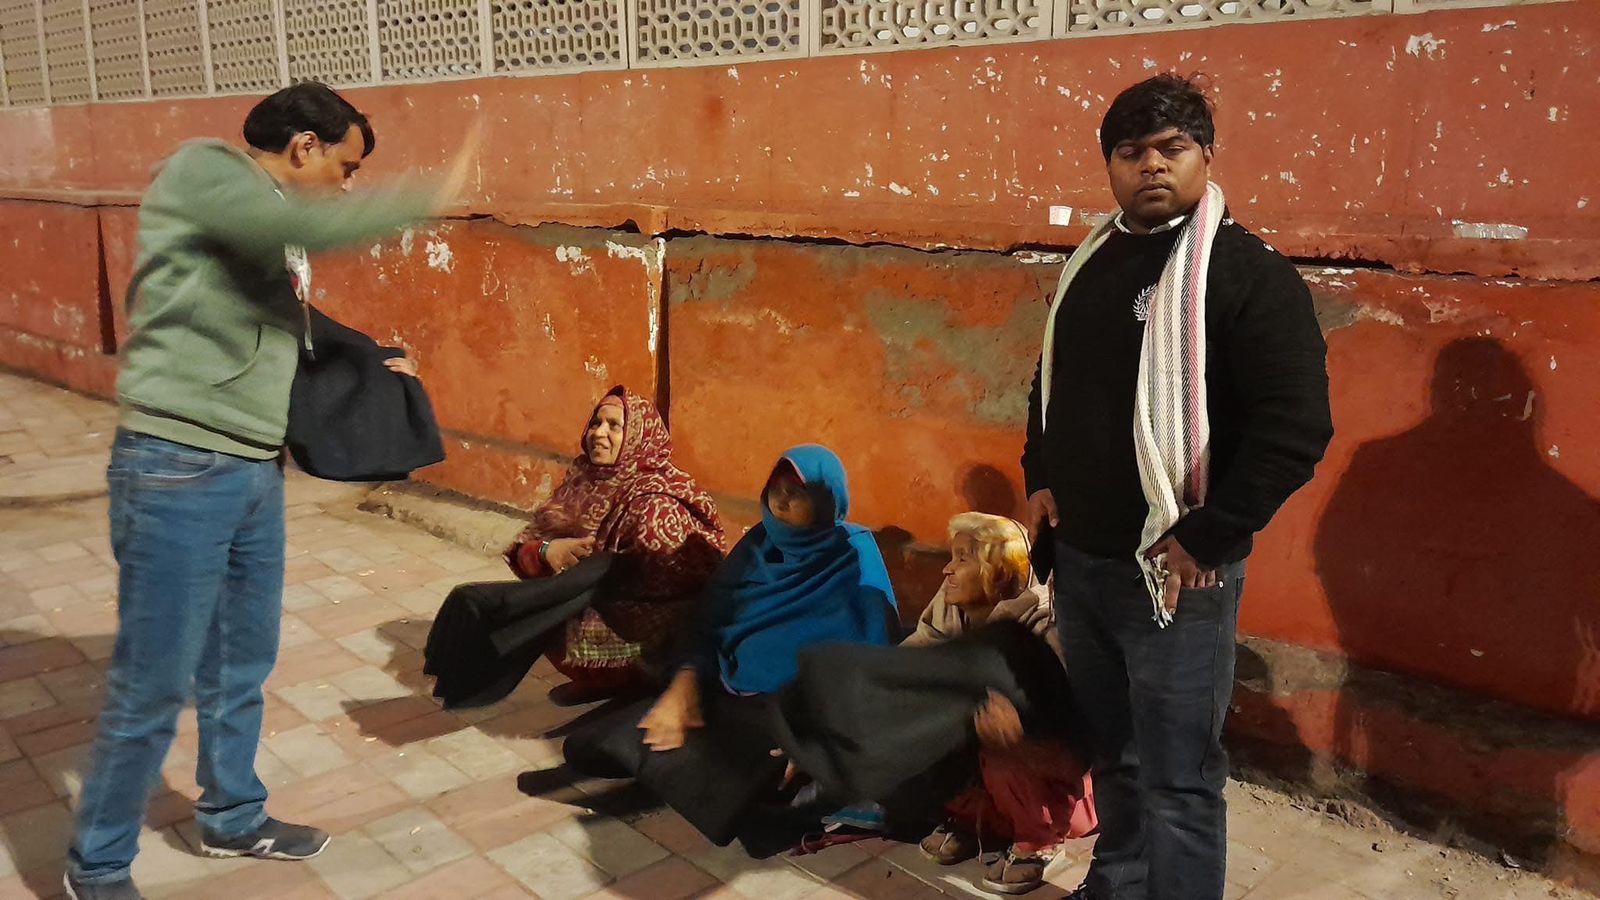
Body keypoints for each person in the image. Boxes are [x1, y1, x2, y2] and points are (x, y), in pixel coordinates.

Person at [64, 83, 479, 900]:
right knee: (154, 683)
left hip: (253, 466)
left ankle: (231, 815)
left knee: (240, 661)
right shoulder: (205, 173)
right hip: (176, 464)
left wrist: (370, 358)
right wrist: (428, 196)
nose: (348, 187)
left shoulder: (262, 220)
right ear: (304, 147)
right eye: (347, 169)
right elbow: (307, 229)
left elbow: (290, 319)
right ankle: (99, 864)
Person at [1022, 74, 1333, 900]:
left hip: (1177, 574)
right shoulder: (1090, 263)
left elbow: (1294, 430)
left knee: (1178, 777)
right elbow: (1051, 378)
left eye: (1172, 148)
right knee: (1114, 754)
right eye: (1131, 152)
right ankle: (1117, 883)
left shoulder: (1244, 274)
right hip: (1082, 562)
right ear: (1110, 166)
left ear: (1206, 156)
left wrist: (1209, 534)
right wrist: (1039, 474)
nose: (1151, 166)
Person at [561, 444, 899, 849]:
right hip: (725, 690)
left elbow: (872, 667)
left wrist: (817, 736)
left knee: (758, 814)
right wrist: (683, 686)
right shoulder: (758, 545)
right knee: (587, 749)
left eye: (799, 492)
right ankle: (702, 776)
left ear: (829, 502)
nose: (782, 500)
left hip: (791, 712)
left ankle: (746, 784)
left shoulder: (854, 557)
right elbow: (707, 625)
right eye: (777, 487)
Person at [425, 386, 725, 708]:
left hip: (655, 629)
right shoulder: (586, 479)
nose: (599, 433)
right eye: (596, 422)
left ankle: (637, 686)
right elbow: (525, 546)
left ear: (639, 437)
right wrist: (548, 552)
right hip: (603, 602)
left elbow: (669, 581)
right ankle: (601, 682)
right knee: (542, 604)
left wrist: (587, 577)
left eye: (615, 426)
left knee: (548, 617)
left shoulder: (655, 500)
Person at [906, 514, 1097, 895]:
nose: (947, 569)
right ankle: (971, 819)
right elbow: (908, 663)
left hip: (1060, 784)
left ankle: (1037, 839)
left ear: (998, 571)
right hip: (991, 769)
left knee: (1002, 745)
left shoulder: (1042, 628)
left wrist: (1017, 726)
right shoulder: (951, 610)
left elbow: (1073, 733)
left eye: (963, 559)